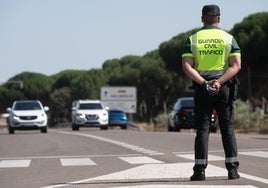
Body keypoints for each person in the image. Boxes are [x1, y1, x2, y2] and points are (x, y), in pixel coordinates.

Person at [181, 5, 241, 181]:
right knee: (227, 128)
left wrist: (204, 83)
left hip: (202, 89)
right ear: (219, 19)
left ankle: (199, 171)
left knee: (203, 130)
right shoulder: (229, 39)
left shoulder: (192, 39)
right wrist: (219, 82)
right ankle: (232, 170)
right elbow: (236, 65)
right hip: (224, 89)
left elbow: (186, 66)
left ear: (202, 19)